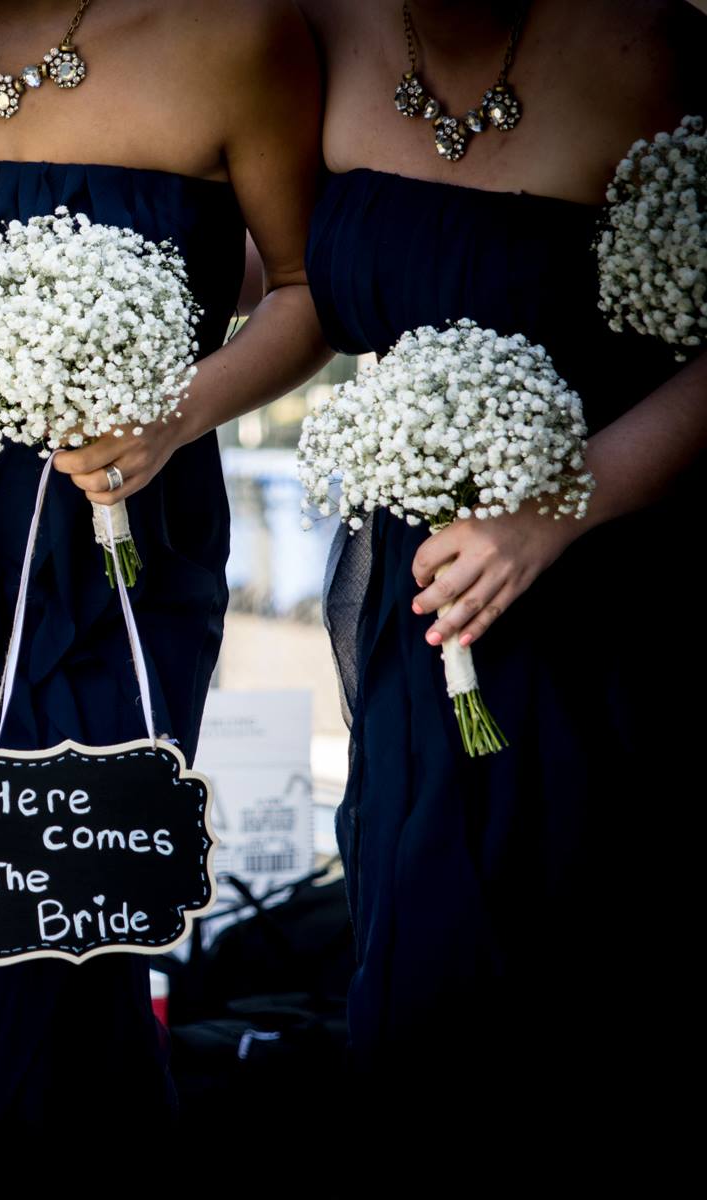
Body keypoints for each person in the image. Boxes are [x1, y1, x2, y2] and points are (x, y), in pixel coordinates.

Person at [0, 0, 327, 1183]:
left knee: (64, 917)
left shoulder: (240, 36)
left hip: (118, 530)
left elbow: (305, 289)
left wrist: (176, 414)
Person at [299, 0, 705, 1160]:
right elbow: (280, 272)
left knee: (596, 951)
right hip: (419, 600)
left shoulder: (658, 50)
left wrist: (557, 510)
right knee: (422, 942)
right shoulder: (319, 33)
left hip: (617, 592)